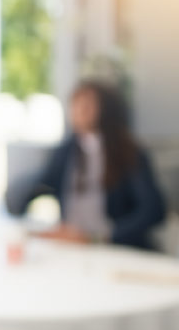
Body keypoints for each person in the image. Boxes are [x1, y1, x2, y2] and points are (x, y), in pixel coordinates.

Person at [9, 79, 167, 251]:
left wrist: (102, 237)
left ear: (106, 109)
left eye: (88, 104)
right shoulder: (65, 152)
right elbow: (38, 186)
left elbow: (153, 210)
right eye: (76, 103)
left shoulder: (128, 152)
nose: (79, 110)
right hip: (72, 246)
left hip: (114, 247)